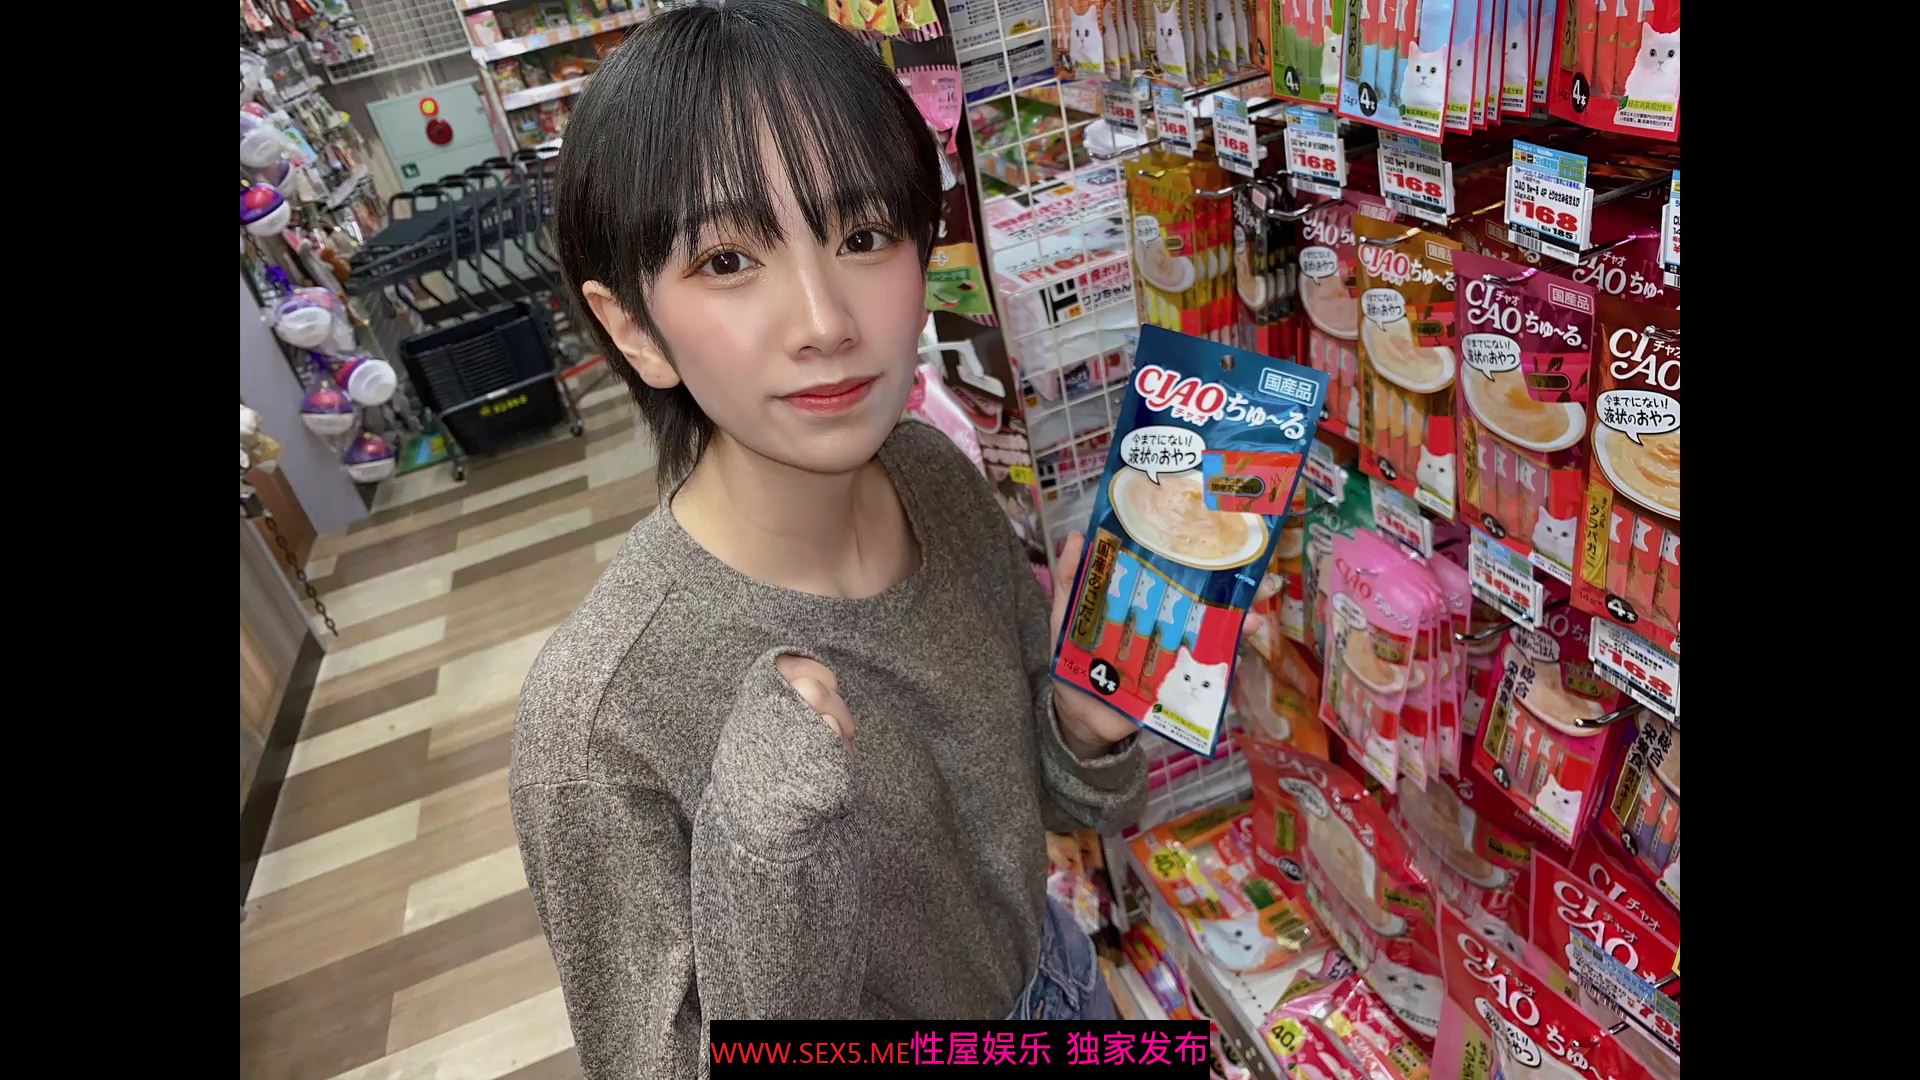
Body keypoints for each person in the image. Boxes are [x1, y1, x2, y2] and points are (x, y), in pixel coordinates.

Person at [509, 2, 1148, 1076]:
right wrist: (763, 852)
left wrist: (1084, 727)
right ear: (632, 329)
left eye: (862, 237)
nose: (823, 321)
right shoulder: (600, 719)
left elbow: (1034, 816)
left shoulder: (931, 475)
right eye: (727, 259)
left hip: (1062, 987)